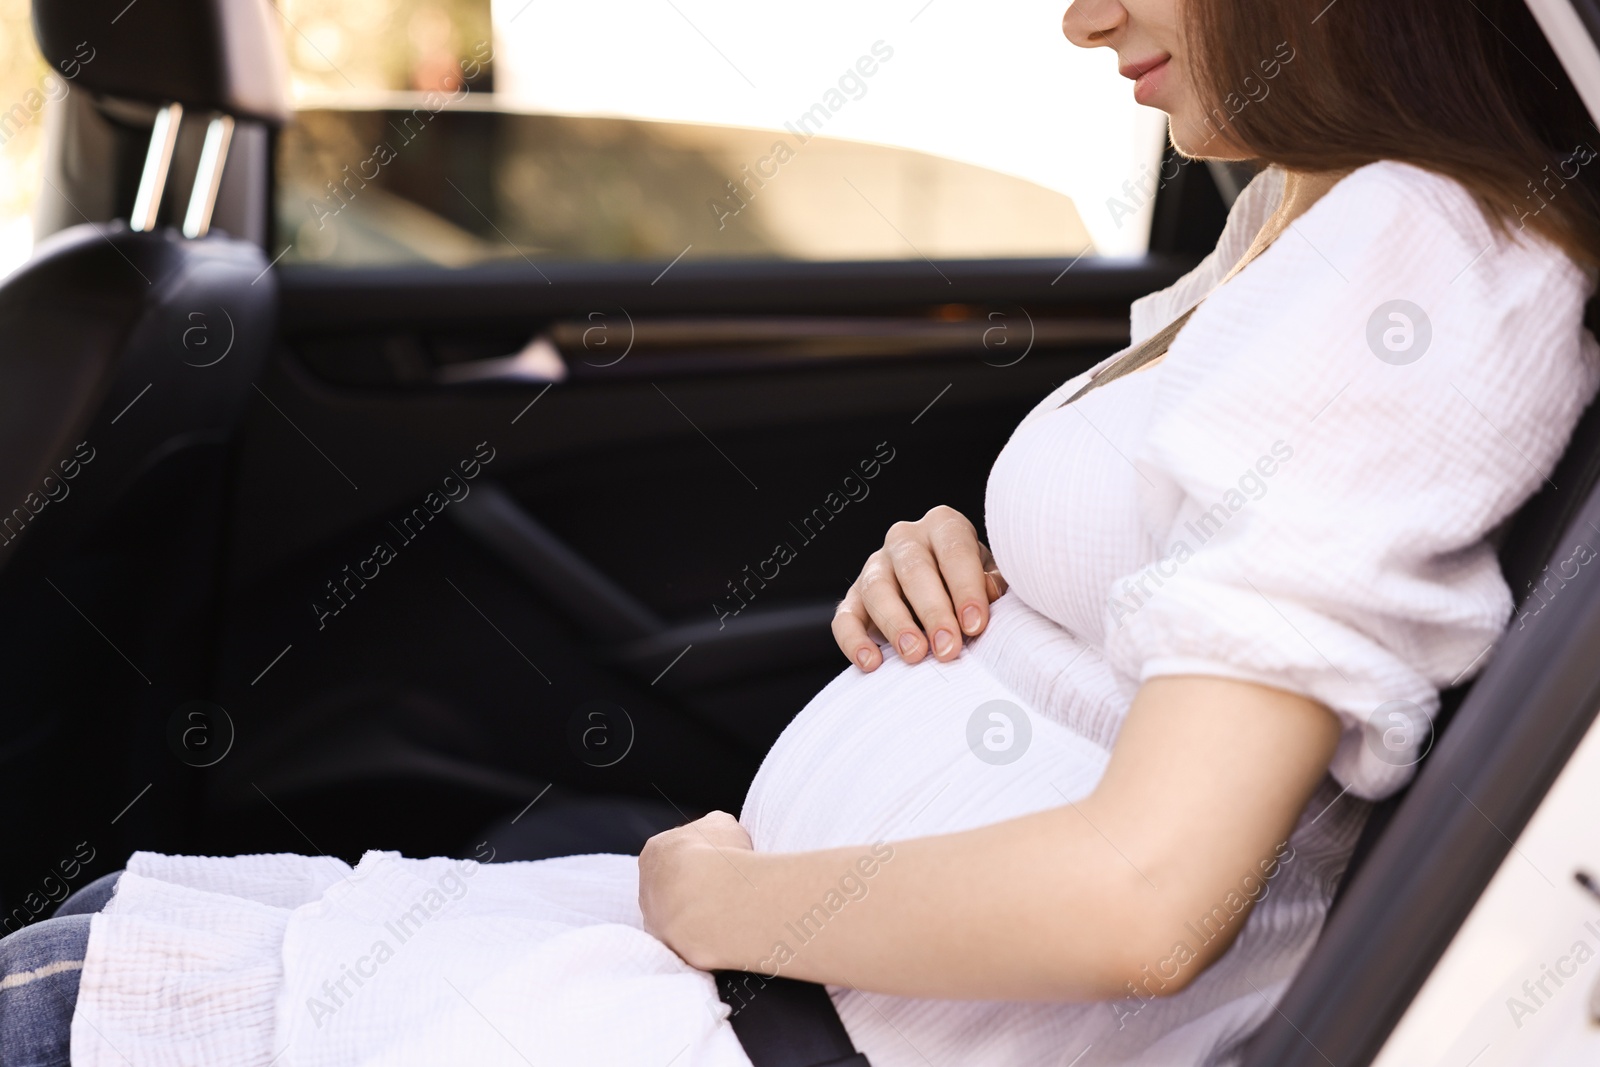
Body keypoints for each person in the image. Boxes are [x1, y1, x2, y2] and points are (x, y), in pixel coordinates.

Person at [7, 0, 1600, 1063]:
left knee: (74, 1000)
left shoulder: (1422, 258)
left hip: (806, 1011)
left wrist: (718, 904)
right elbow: (1182, 578)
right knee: (105, 950)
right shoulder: (1303, 213)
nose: (1081, 13)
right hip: (789, 985)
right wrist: (968, 560)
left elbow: (1147, 897)